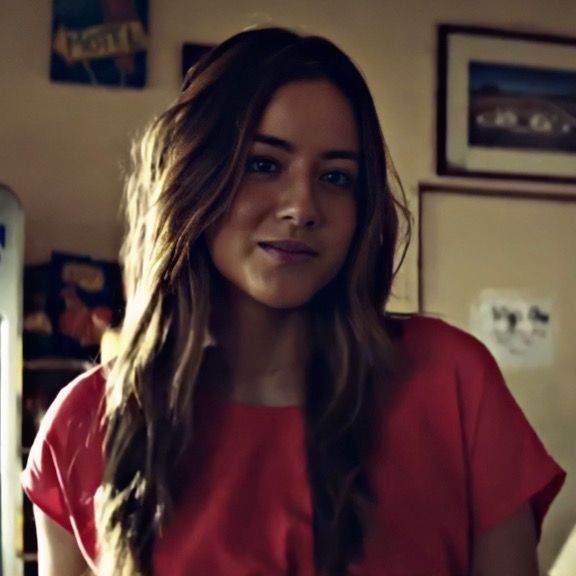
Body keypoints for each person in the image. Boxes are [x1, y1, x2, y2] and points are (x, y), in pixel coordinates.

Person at [23, 27, 565, 576]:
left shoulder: (453, 384)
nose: (303, 206)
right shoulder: (84, 424)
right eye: (264, 164)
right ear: (194, 176)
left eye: (335, 177)